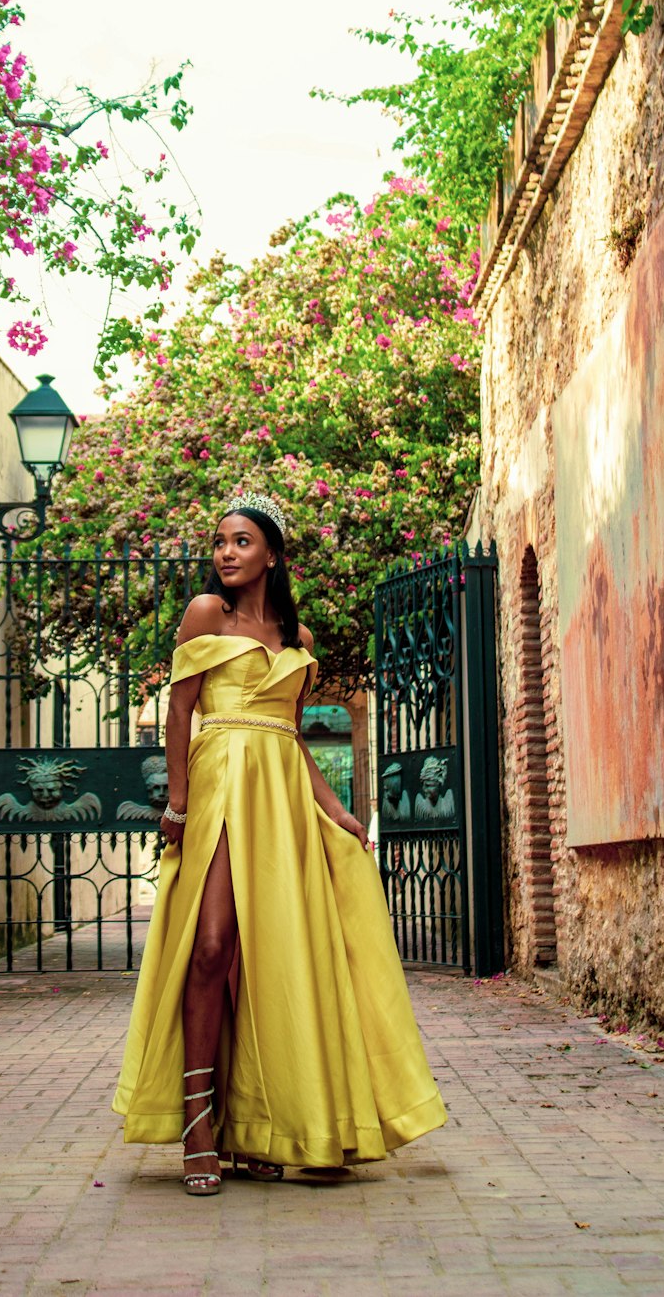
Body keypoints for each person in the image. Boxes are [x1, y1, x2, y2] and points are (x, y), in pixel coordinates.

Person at [111, 494, 446, 1194]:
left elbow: (292, 738)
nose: (225, 554)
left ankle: (259, 1129)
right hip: (220, 789)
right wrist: (177, 800)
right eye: (219, 543)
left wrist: (340, 813)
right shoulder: (208, 615)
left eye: (240, 542)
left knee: (270, 959)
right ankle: (198, 1127)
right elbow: (179, 709)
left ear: (272, 553)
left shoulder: (300, 640)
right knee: (210, 947)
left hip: (282, 800)